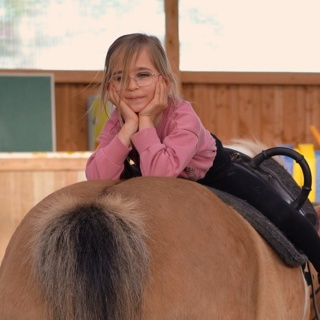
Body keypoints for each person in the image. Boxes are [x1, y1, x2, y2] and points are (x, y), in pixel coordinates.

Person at [85, 33, 320, 274]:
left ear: (164, 81)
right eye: (120, 77)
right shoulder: (119, 121)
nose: (132, 86)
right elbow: (96, 175)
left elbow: (159, 175)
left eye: (143, 75)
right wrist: (126, 129)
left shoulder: (183, 116)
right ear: (111, 86)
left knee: (280, 212)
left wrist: (144, 121)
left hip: (211, 174)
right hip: (152, 177)